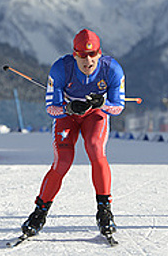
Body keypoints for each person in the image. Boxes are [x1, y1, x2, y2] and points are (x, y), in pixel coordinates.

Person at [20, 28, 125, 239]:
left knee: (95, 148)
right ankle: (40, 212)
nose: (88, 61)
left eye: (93, 54)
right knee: (63, 160)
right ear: (74, 54)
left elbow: (118, 106)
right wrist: (68, 108)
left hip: (96, 113)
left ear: (100, 53)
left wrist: (103, 103)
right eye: (82, 56)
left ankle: (104, 211)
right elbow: (51, 108)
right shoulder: (61, 68)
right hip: (67, 115)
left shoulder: (112, 69)